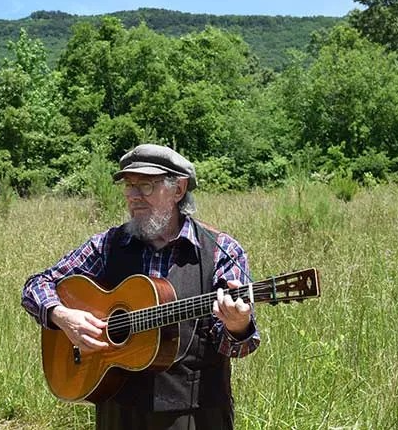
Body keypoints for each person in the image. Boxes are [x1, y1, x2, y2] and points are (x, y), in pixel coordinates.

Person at [22, 143, 260, 430]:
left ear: (178, 189)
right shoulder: (108, 245)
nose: (133, 196)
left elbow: (241, 346)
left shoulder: (220, 250)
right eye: (129, 186)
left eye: (146, 186)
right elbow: (37, 285)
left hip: (195, 414)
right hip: (117, 408)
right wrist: (62, 316)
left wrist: (238, 325)